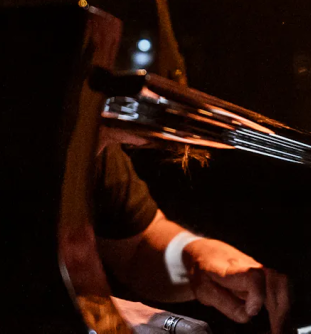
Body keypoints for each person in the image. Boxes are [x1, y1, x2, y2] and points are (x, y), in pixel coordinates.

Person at [93, 134, 289, 333]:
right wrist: (93, 312)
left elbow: (136, 247)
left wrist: (196, 262)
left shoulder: (102, 148)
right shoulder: (96, 132)